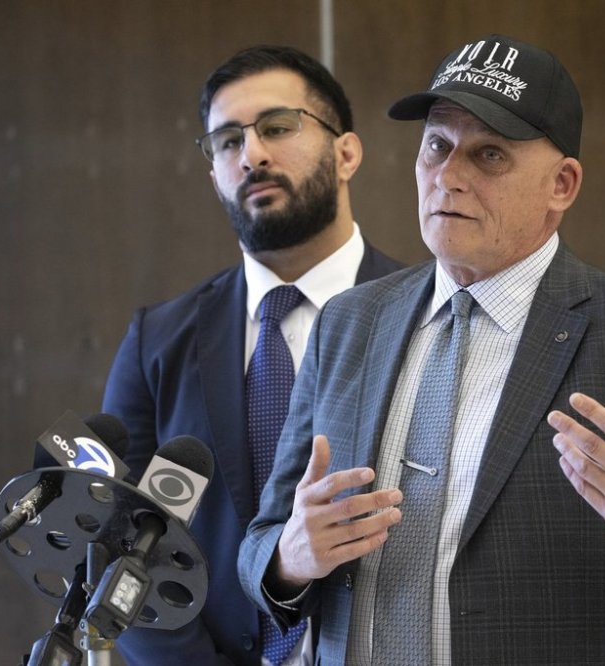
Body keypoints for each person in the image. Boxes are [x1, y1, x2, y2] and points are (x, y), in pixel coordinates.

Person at [238, 33, 605, 665]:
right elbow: (263, 540)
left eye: (490, 156)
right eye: (436, 147)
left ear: (562, 184)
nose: (449, 176)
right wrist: (290, 557)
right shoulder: (349, 323)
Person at [101, 45, 403, 665]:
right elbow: (115, 547)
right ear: (213, 172)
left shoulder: (426, 316)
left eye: (277, 127)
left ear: (346, 152)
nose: (252, 155)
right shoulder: (158, 340)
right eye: (227, 142)